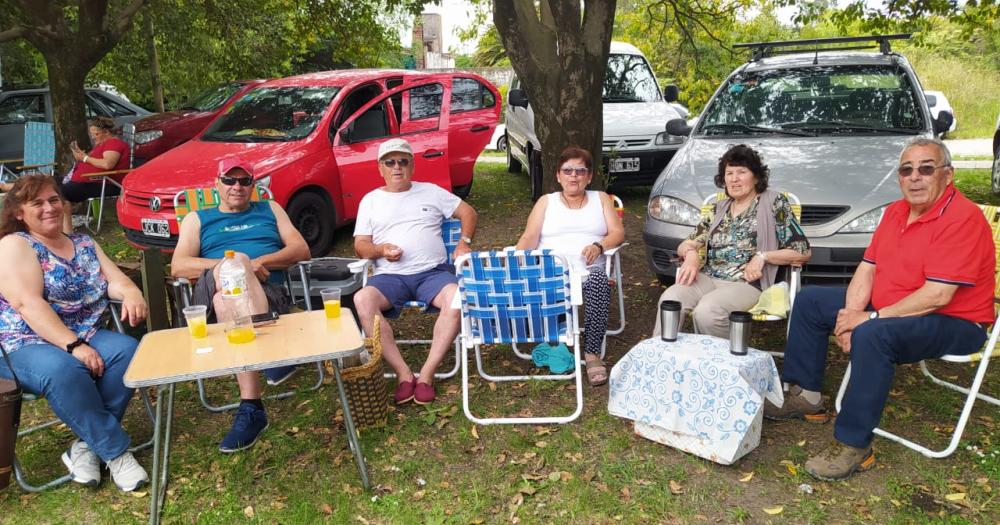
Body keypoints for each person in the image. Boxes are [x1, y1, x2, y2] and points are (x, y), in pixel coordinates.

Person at [766, 137, 995, 481]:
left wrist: (867, 319)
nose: (915, 177)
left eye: (926, 168)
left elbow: (937, 295)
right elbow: (868, 268)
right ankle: (807, 395)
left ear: (948, 175)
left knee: (874, 334)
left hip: (954, 321)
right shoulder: (895, 211)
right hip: (893, 306)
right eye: (907, 170)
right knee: (812, 300)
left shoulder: (963, 218)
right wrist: (849, 318)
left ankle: (854, 444)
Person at [0, 174, 149, 492]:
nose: (49, 207)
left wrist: (132, 293)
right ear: (18, 212)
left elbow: (115, 280)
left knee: (128, 352)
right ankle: (117, 453)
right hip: (21, 343)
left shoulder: (83, 242)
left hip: (82, 331)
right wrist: (74, 345)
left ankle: (85, 447)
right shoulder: (15, 245)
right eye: (36, 203)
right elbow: (27, 304)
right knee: (64, 369)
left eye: (53, 199)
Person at [171, 157, 310, 453]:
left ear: (253, 186)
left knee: (228, 299)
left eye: (245, 181)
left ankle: (252, 408)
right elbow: (179, 266)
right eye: (230, 180)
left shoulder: (270, 209)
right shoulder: (197, 218)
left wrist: (259, 263)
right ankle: (271, 359)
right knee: (234, 267)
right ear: (217, 183)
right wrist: (232, 265)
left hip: (268, 294)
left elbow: (301, 249)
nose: (237, 186)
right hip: (211, 289)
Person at [353, 138, 477, 406]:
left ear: (412, 165)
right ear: (380, 168)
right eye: (390, 162)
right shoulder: (371, 201)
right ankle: (403, 373)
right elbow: (360, 245)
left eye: (403, 161)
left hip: (433, 273)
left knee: (456, 296)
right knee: (362, 300)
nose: (397, 167)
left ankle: (427, 375)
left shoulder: (431, 192)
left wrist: (463, 243)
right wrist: (379, 250)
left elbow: (468, 212)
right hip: (390, 276)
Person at [653, 144, 810, 338]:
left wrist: (762, 257)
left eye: (741, 172)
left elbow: (802, 251)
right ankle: (661, 360)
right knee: (670, 300)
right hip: (708, 277)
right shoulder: (718, 208)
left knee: (708, 311)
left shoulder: (774, 203)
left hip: (747, 283)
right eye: (729, 173)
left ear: (756, 177)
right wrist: (691, 254)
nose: (734, 179)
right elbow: (686, 244)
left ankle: (721, 365)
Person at [515, 146, 624, 386]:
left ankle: (592, 353)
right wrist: (517, 260)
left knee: (598, 281)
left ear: (589, 176)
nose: (573, 176)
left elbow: (618, 233)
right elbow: (530, 236)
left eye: (580, 170)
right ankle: (555, 343)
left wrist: (599, 245)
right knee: (530, 281)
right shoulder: (546, 201)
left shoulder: (601, 199)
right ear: (558, 175)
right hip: (552, 269)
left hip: (590, 268)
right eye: (567, 170)